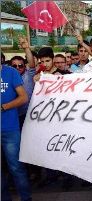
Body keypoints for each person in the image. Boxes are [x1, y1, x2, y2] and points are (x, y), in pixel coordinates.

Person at [1, 59, 32, 201]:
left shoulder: (11, 72)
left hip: (9, 129)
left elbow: (24, 98)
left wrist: (3, 107)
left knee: (16, 168)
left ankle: (26, 198)